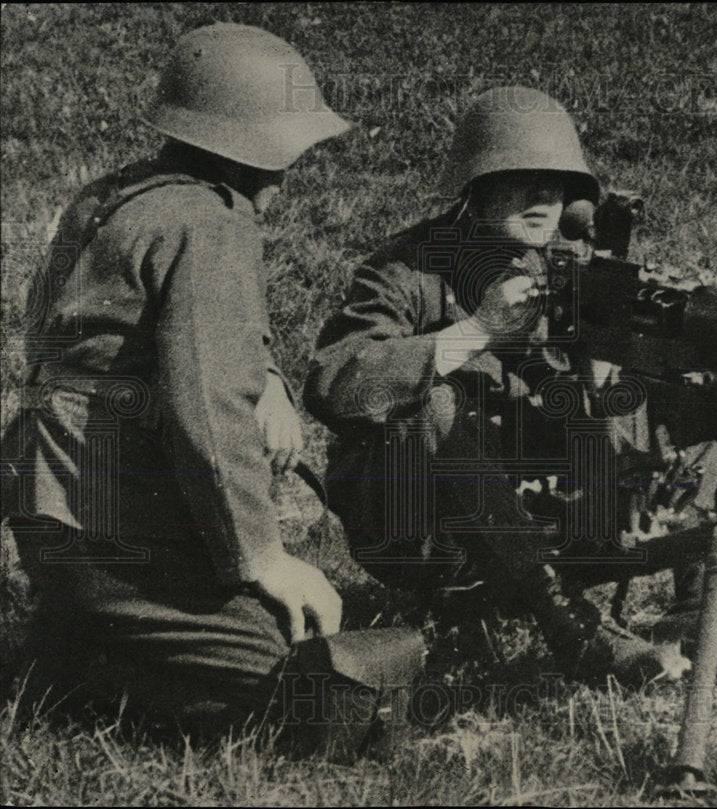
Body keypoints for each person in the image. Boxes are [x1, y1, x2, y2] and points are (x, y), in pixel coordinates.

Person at [1, 23, 423, 744]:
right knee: (309, 693)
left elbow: (110, 336)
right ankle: (89, 669)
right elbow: (208, 407)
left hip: (49, 505)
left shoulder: (114, 196)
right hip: (115, 521)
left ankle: (70, 647)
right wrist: (264, 558)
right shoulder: (212, 222)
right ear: (264, 148)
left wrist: (267, 375)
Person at [304, 86, 694, 688]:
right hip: (420, 523)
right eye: (521, 179)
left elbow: (583, 398)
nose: (543, 196)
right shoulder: (406, 270)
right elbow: (337, 384)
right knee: (429, 404)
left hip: (530, 501)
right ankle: (570, 626)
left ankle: (698, 602)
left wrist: (610, 361)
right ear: (476, 185)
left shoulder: (562, 269)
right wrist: (475, 331)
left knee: (686, 383)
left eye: (556, 182)